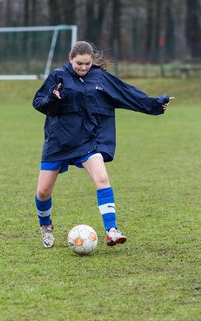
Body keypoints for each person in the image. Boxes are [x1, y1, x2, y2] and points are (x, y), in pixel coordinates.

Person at [32, 41, 173, 249]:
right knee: (43, 192)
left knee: (102, 177)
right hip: (59, 140)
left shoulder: (99, 77)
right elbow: (38, 102)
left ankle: (112, 230)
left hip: (87, 139)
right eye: (79, 63)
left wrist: (154, 103)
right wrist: (53, 99)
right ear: (71, 59)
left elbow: (125, 93)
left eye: (87, 64)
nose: (83, 68)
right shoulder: (58, 76)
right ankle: (45, 227)